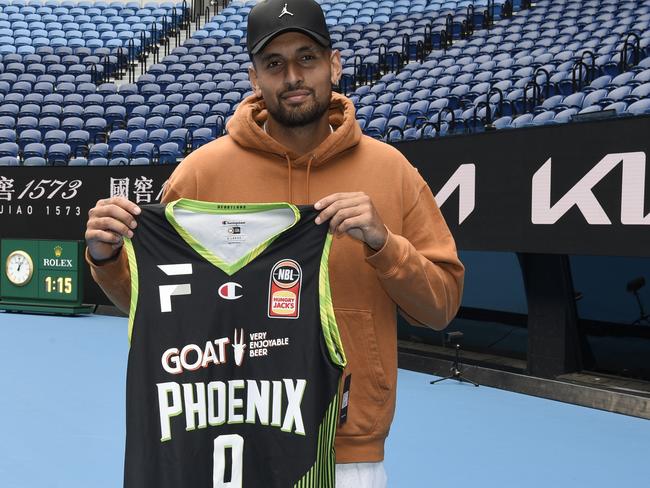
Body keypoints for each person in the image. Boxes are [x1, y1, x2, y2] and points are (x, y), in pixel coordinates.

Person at [85, 0, 465, 486]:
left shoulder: (392, 173)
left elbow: (442, 305)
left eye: (306, 57)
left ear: (334, 64)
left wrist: (383, 243)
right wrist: (107, 257)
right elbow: (160, 306)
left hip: (348, 451)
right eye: (274, 64)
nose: (293, 77)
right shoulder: (201, 173)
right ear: (254, 78)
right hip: (226, 436)